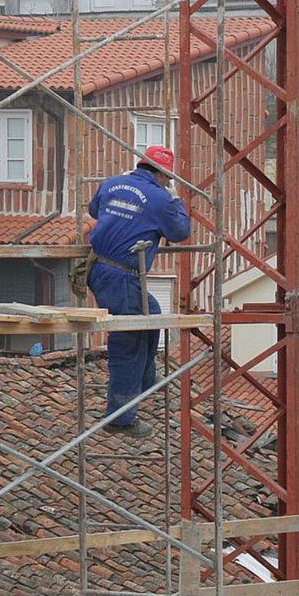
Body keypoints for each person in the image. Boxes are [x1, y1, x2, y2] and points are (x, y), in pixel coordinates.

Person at [86, 145, 190, 438]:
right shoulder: (161, 198)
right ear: (161, 174)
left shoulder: (112, 183)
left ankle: (145, 379)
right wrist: (178, 203)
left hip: (100, 269)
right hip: (122, 275)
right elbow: (180, 233)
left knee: (152, 314)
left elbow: (95, 210)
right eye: (168, 178)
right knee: (127, 342)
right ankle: (121, 418)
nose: (168, 183)